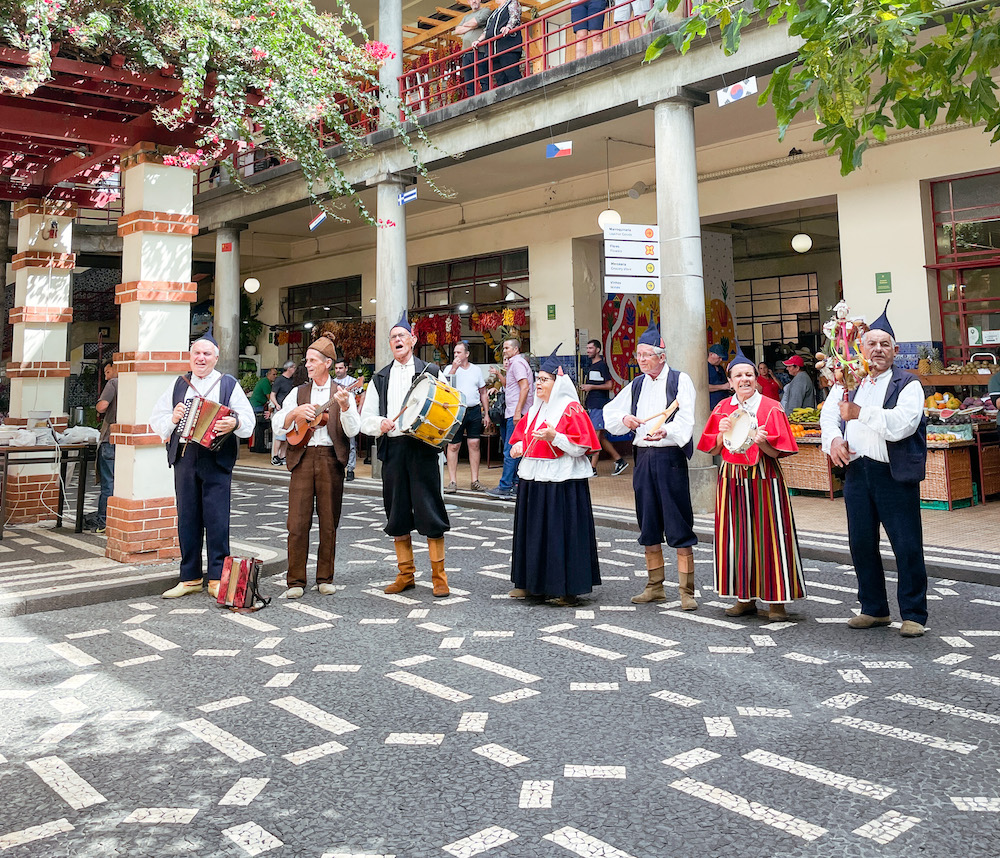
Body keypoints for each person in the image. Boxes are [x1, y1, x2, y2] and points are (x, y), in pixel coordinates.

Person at [820, 301, 928, 637]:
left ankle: (913, 613)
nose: (877, 350)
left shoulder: (907, 383)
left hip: (892, 474)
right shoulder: (851, 379)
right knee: (861, 542)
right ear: (861, 348)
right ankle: (874, 608)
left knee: (906, 544)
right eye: (871, 344)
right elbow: (829, 415)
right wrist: (834, 440)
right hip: (857, 472)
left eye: (884, 345)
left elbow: (902, 426)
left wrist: (859, 413)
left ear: (895, 350)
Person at [697, 346, 807, 620]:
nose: (744, 379)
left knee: (771, 536)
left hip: (764, 477)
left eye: (749, 374)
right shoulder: (723, 408)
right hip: (731, 477)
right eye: (738, 376)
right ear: (730, 380)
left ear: (756, 379)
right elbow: (710, 449)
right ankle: (743, 598)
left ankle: (776, 601)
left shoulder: (771, 407)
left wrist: (764, 442)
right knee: (735, 539)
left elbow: (781, 451)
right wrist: (721, 435)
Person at [151, 334, 254, 599]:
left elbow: (248, 420)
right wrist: (173, 418)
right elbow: (157, 419)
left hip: (215, 458)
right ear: (190, 356)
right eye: (197, 353)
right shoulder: (179, 384)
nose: (201, 358)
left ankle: (218, 578)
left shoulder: (228, 384)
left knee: (217, 520)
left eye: (207, 354)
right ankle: (190, 578)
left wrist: (234, 423)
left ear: (216, 358)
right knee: (187, 518)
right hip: (185, 457)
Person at [603, 320, 698, 609]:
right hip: (643, 456)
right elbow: (611, 413)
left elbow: (686, 417)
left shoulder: (679, 380)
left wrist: (667, 431)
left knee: (678, 519)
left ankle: (686, 591)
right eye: (639, 355)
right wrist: (625, 420)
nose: (642, 360)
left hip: (669, 457)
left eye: (647, 355)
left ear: (662, 356)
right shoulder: (637, 384)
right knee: (648, 520)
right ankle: (654, 586)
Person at [360, 312, 451, 597]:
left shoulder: (432, 372)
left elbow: (449, 406)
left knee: (430, 509)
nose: (398, 340)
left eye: (402, 336)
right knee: (397, 512)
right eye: (393, 337)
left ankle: (439, 576)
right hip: (394, 449)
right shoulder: (380, 377)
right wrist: (380, 424)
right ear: (390, 344)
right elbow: (366, 418)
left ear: (413, 340)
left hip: (422, 449)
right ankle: (406, 574)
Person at [508, 345, 601, 607]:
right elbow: (522, 441)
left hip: (563, 481)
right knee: (533, 533)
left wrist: (555, 437)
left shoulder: (570, 409)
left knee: (561, 534)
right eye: (537, 379)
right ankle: (531, 584)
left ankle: (565, 588)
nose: (538, 384)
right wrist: (517, 448)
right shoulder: (535, 410)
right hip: (534, 480)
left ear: (557, 382)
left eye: (544, 380)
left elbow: (581, 447)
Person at [273, 336, 359, 599]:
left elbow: (353, 429)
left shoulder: (343, 393)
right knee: (296, 522)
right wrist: (294, 414)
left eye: (312, 360)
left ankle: (325, 577)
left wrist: (344, 408)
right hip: (301, 458)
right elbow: (279, 425)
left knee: (328, 521)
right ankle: (295, 580)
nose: (307, 365)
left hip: (331, 459)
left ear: (327, 363)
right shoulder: (297, 393)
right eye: (307, 360)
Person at [486, 337, 534, 499]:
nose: (504, 350)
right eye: (504, 348)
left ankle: (505, 486)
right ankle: (514, 483)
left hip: (516, 413)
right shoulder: (514, 364)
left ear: (515, 349)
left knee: (510, 450)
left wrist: (517, 411)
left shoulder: (518, 364)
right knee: (515, 450)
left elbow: (525, 387)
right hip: (513, 413)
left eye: (507, 348)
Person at [445, 340, 490, 493]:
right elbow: (445, 388)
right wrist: (453, 369)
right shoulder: (448, 369)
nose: (456, 355)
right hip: (456, 411)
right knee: (453, 445)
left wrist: (486, 413)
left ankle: (475, 480)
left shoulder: (476, 370)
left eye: (459, 352)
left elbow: (483, 392)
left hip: (474, 410)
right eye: (455, 353)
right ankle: (452, 481)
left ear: (467, 354)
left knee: (474, 444)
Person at [582, 339, 627, 477]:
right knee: (600, 437)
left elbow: (609, 385)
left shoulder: (602, 366)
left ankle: (592, 468)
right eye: (587, 348)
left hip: (599, 405)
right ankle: (619, 460)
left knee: (595, 437)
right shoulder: (590, 366)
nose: (588, 350)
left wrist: (592, 387)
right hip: (591, 404)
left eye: (591, 348)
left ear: (598, 350)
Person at [94, 362, 118, 535]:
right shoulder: (138, 381)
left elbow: (102, 406)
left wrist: (98, 405)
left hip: (110, 439)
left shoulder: (114, 383)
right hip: (126, 441)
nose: (106, 375)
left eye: (107, 371)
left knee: (108, 483)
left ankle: (103, 521)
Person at [476, 0, 523, 88]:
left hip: (507, 46)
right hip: (494, 51)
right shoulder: (495, 12)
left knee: (512, 74)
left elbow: (514, 17)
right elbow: (487, 29)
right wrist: (478, 40)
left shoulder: (512, 3)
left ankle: (520, 94)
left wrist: (508, 27)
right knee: (500, 79)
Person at [455, 0, 492, 97]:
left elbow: (477, 21)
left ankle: (487, 96)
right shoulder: (466, 16)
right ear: (468, 2)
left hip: (480, 49)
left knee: (483, 76)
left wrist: (467, 26)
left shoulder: (485, 11)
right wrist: (472, 26)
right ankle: (471, 99)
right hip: (467, 52)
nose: (474, 1)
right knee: (469, 80)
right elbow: (457, 30)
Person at [333, 358, 359, 482]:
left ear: (346, 368)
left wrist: (359, 409)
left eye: (340, 368)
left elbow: (362, 394)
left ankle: (350, 469)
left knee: (351, 443)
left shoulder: (353, 382)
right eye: (336, 368)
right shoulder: (331, 383)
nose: (338, 370)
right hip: (334, 416)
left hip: (348, 414)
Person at [269, 361, 297, 466]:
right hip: (281, 410)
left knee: (287, 433)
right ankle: (275, 456)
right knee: (279, 434)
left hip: (290, 409)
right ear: (289, 368)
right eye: (293, 367)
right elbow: (273, 395)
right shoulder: (279, 380)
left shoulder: (292, 381)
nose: (294, 369)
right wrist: (276, 405)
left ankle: (283, 455)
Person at [707, 344, 731, 409]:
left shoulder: (720, 368)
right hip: (711, 406)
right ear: (711, 354)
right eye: (719, 357)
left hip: (723, 404)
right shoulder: (704, 368)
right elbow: (703, 388)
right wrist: (722, 387)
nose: (720, 360)